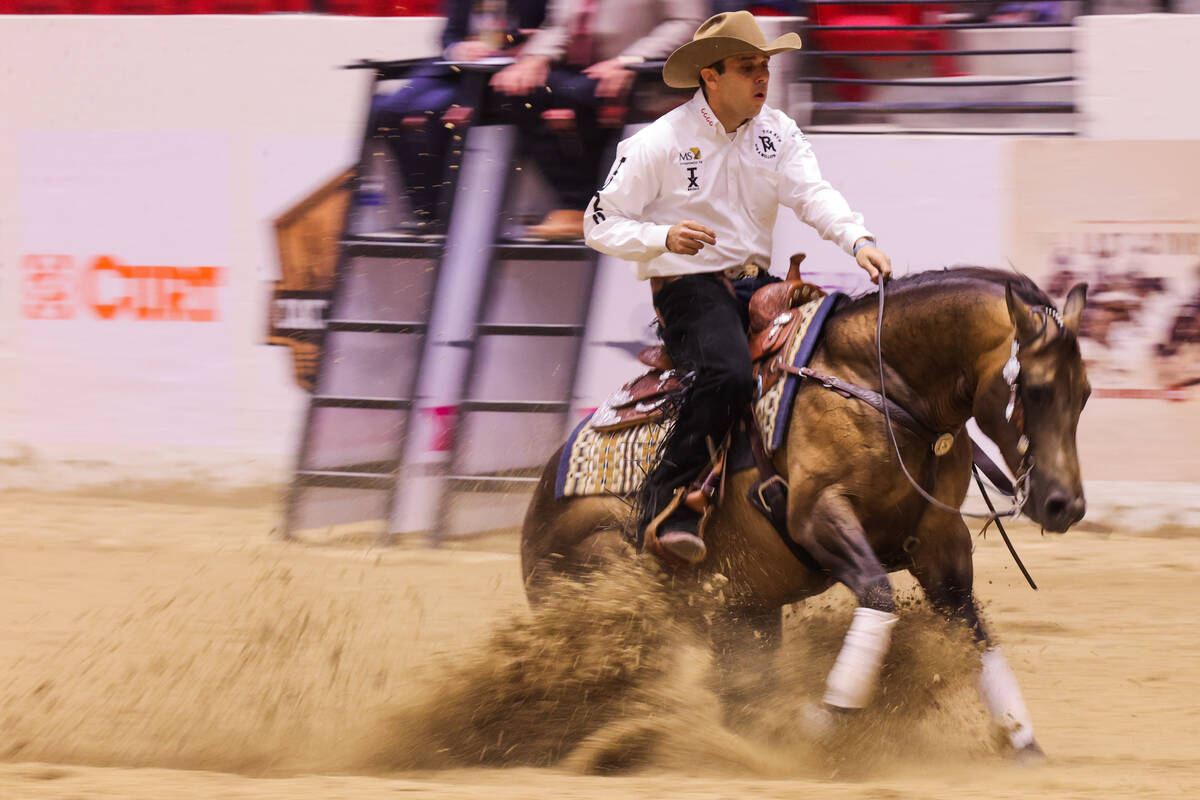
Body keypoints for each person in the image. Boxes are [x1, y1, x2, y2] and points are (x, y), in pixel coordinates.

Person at [583, 11, 893, 564]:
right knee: (725, 373)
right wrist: (662, 236)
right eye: (748, 67)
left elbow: (813, 194)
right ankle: (668, 503)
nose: (761, 78)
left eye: (764, 67)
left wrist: (857, 240)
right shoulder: (659, 142)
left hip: (758, 286)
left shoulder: (777, 132)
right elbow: (599, 222)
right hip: (688, 288)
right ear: (710, 75)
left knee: (837, 351)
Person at [489, 0, 705, 240]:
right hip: (583, 71)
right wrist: (536, 57)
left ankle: (587, 205)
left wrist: (632, 60)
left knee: (578, 96)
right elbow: (558, 26)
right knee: (519, 90)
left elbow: (687, 24)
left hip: (647, 72)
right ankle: (572, 204)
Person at [371, 0, 547, 235]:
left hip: (509, 72)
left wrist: (531, 46)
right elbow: (450, 35)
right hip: (458, 67)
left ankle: (437, 212)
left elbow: (554, 30)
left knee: (432, 110)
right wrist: (458, 48)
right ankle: (423, 209)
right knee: (391, 108)